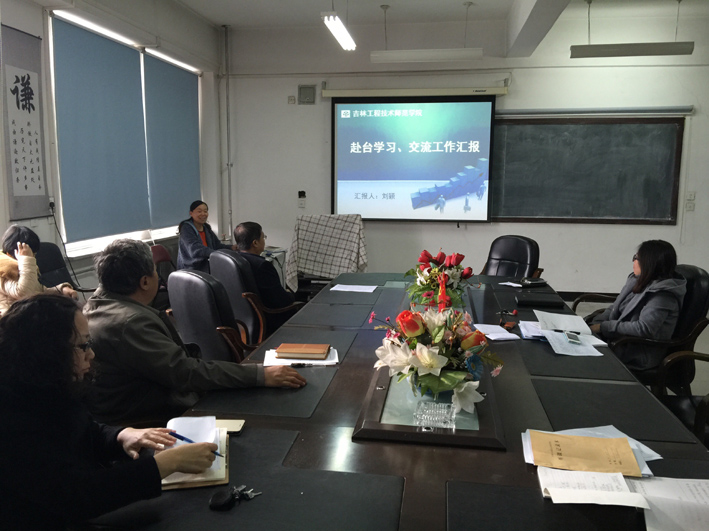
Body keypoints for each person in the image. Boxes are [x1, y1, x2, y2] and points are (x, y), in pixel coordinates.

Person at [0, 294, 219, 529]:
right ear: (46, 353)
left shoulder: (43, 384)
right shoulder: (11, 421)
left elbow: (83, 431)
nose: (91, 354)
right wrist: (166, 464)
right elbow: (76, 496)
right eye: (82, 346)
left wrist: (121, 435)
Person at [84, 239, 306, 425]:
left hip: (130, 407)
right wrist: (260, 375)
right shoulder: (131, 323)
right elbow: (185, 373)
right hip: (150, 418)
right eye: (155, 271)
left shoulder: (94, 306)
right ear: (144, 282)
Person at [588, 240, 686, 371]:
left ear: (648, 263)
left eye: (636, 258)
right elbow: (615, 308)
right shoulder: (638, 280)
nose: (633, 261)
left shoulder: (663, 295)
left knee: (582, 358)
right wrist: (593, 324)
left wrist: (603, 327)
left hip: (638, 351)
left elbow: (644, 328)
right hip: (620, 340)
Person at [233, 221, 297, 334]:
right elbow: (280, 301)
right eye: (263, 237)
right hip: (268, 319)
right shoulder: (262, 266)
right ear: (255, 243)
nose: (264, 240)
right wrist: (291, 295)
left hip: (241, 319)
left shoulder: (233, 260)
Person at [0, 225, 77, 314]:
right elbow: (25, 293)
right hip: (12, 318)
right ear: (11, 253)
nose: (33, 257)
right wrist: (26, 259)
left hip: (28, 313)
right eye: (31, 254)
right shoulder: (3, 270)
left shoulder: (24, 266)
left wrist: (61, 289)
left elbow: (36, 290)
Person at [177, 200, 235, 272]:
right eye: (199, 211)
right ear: (191, 213)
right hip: (191, 269)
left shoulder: (206, 228)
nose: (203, 214)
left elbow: (217, 245)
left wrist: (232, 247)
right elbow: (195, 249)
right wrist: (216, 254)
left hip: (207, 265)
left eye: (205, 211)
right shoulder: (186, 228)